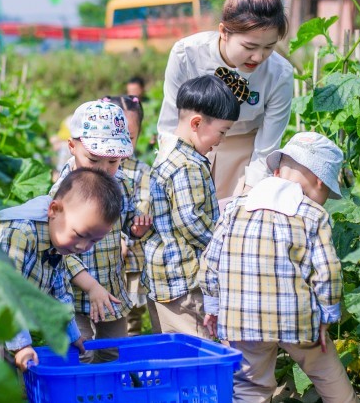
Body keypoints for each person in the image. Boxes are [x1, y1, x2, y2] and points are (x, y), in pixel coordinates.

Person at [199, 132, 358, 403]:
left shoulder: (236, 208)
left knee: (250, 386)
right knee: (326, 372)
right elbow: (328, 271)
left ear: (276, 169)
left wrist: (213, 307)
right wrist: (327, 315)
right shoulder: (312, 214)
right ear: (320, 182)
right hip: (296, 316)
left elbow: (211, 260)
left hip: (242, 319)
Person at [157, 0, 293, 204]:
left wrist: (248, 194)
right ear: (224, 32)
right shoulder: (186, 54)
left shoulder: (280, 74)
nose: (258, 57)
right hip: (189, 151)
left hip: (245, 158)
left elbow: (266, 148)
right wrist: (170, 174)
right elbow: (169, 126)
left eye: (269, 47)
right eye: (249, 47)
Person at [0, 168, 123, 371]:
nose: (83, 246)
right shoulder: (20, 234)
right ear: (54, 210)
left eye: (94, 241)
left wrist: (72, 336)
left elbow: (59, 294)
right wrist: (22, 346)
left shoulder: (59, 244)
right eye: (80, 234)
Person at [51, 100, 152, 362]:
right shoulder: (63, 192)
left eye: (113, 161)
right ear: (72, 147)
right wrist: (90, 286)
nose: (103, 170)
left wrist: (136, 229)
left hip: (110, 287)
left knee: (113, 351)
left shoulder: (122, 185)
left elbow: (129, 222)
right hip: (73, 292)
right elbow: (59, 250)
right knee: (79, 352)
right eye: (94, 159)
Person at [142, 75, 239, 338]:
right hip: (185, 279)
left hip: (165, 276)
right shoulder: (187, 164)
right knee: (196, 351)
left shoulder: (167, 152)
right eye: (222, 131)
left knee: (170, 350)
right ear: (197, 123)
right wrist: (226, 243)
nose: (220, 140)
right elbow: (192, 222)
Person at [101, 95, 151, 336]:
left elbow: (141, 210)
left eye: (130, 139)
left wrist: (131, 233)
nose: (123, 147)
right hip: (100, 258)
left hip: (130, 260)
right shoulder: (97, 166)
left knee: (131, 319)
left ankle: (131, 367)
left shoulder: (141, 171)